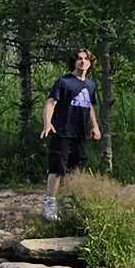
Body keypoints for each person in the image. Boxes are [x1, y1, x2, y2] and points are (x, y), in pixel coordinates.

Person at [39, 48, 105, 220]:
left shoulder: (90, 85)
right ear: (74, 62)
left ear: (90, 63)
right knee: (57, 169)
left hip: (80, 134)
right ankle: (49, 205)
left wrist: (95, 127)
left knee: (77, 170)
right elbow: (50, 103)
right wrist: (47, 123)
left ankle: (69, 204)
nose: (82, 61)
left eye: (86, 59)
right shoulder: (64, 82)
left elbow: (89, 106)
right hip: (62, 131)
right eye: (79, 59)